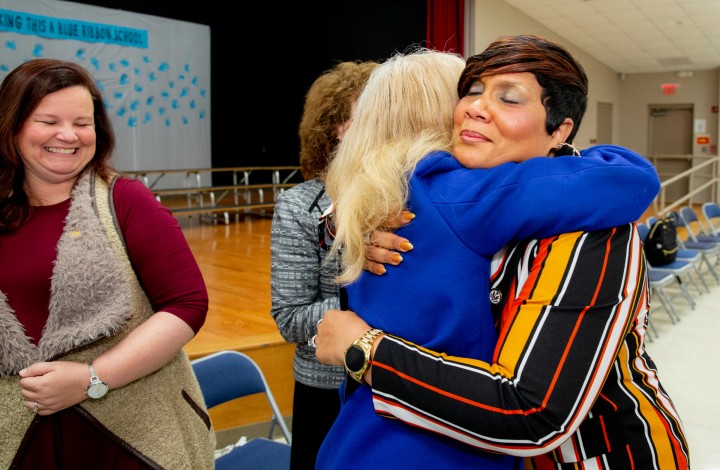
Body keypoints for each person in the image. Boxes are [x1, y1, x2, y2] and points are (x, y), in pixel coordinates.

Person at [316, 36, 689, 469]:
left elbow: (530, 411)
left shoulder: (590, 230)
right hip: (438, 436)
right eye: (471, 91)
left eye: (508, 98)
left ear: (560, 128)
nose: (477, 107)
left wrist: (361, 347)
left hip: (598, 453)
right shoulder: (430, 198)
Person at [0, 59, 215, 469]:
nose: (68, 135)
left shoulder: (125, 200)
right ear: (12, 125)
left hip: (130, 441)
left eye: (83, 122)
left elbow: (187, 304)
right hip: (19, 444)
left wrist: (90, 379)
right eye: (49, 121)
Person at [270, 60, 378, 469]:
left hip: (396, 380)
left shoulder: (415, 198)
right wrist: (373, 307)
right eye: (364, 116)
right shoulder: (301, 205)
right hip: (326, 388)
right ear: (336, 127)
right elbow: (291, 317)